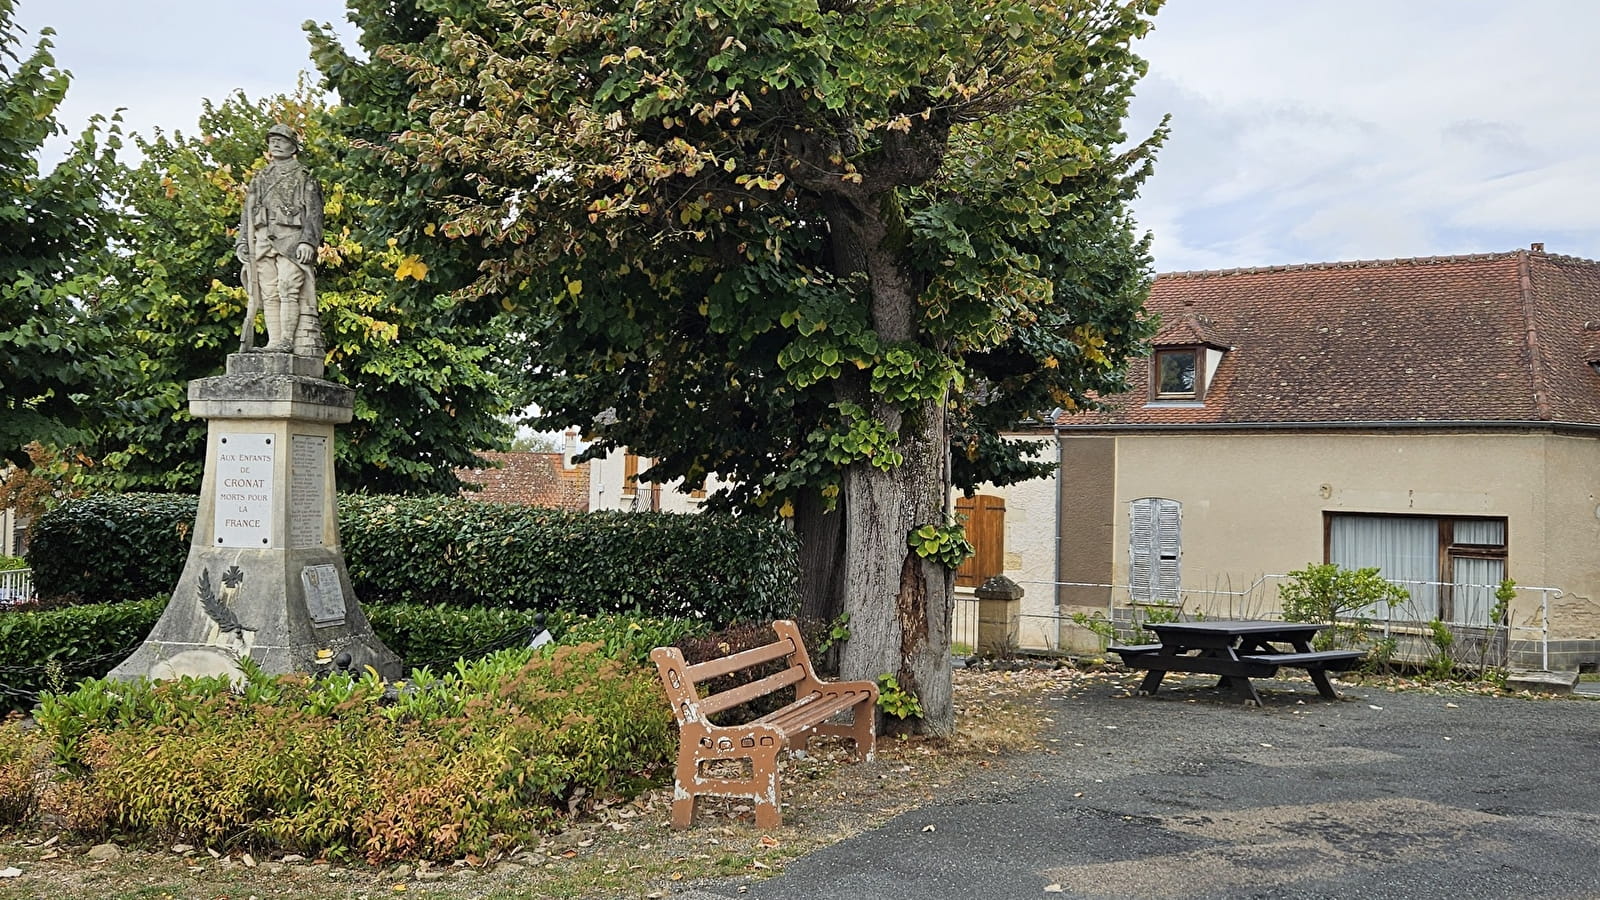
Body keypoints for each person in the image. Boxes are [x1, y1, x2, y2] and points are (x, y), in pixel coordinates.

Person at [236, 123, 324, 355]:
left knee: (288, 287)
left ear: (293, 146)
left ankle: (287, 340)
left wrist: (308, 241)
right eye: (272, 140)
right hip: (262, 240)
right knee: (268, 291)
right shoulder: (260, 178)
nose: (275, 143)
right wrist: (243, 241)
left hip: (290, 239)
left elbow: (314, 213)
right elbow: (247, 212)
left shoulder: (304, 177)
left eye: (281, 140)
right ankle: (274, 342)